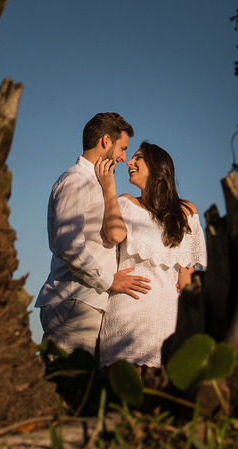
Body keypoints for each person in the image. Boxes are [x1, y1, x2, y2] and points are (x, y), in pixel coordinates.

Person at [35, 113, 152, 359]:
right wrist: (110, 281)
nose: (123, 158)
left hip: (84, 302)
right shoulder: (77, 182)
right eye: (122, 148)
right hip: (74, 302)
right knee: (68, 388)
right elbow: (67, 246)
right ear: (105, 141)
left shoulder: (95, 183)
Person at [98, 141, 207, 368]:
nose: (129, 162)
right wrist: (109, 187)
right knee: (121, 395)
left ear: (157, 166)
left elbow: (185, 278)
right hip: (126, 314)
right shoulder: (126, 202)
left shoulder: (187, 212)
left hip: (168, 319)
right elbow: (113, 234)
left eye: (138, 158)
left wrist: (190, 325)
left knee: (158, 395)